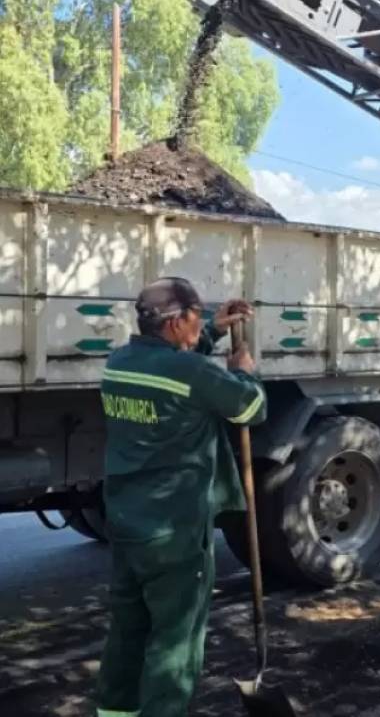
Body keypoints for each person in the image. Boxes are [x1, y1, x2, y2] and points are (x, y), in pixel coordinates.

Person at [96, 277, 267, 717]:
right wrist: (245, 371)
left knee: (128, 631)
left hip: (129, 523)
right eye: (196, 317)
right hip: (177, 529)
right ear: (176, 322)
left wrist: (213, 328)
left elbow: (174, 363)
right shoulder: (193, 373)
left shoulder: (119, 363)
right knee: (176, 642)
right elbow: (251, 408)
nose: (199, 324)